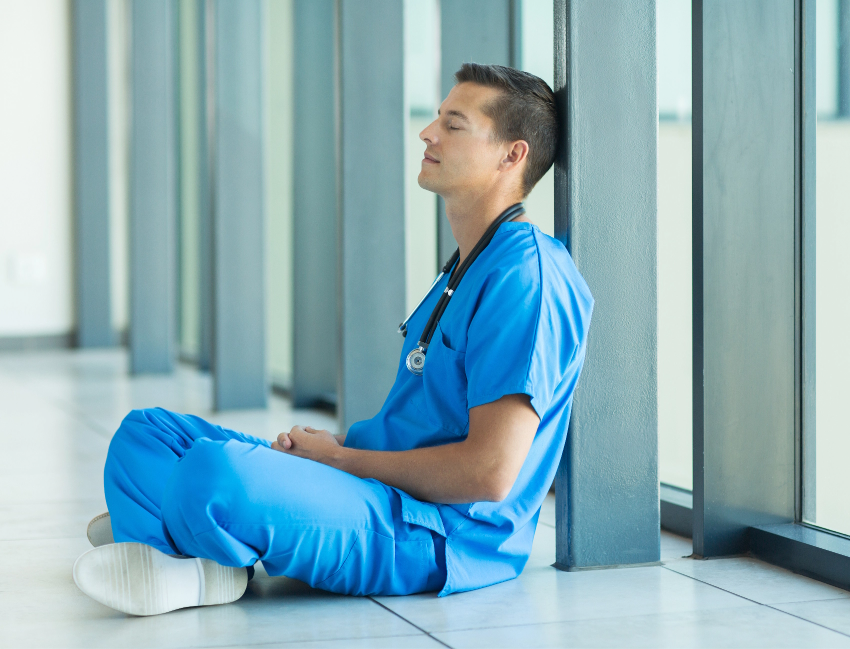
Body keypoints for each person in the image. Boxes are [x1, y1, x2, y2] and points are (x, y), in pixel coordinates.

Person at [73, 63, 593, 616]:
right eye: (437, 118)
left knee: (211, 473)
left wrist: (342, 461)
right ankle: (187, 541)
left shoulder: (526, 277)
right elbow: (422, 424)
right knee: (144, 435)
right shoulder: (465, 266)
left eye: (454, 124)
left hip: (437, 532)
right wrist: (340, 450)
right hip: (374, 488)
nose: (427, 133)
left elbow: (489, 474)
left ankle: (175, 546)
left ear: (511, 155)